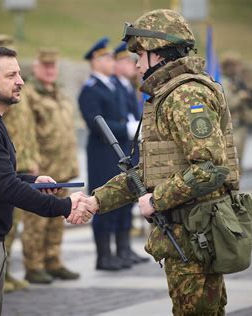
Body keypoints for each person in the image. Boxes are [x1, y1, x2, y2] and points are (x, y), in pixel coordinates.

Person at [85, 9, 240, 315]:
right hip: (187, 235)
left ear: (161, 54)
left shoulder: (185, 96)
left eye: (140, 53)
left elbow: (210, 169)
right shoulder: (168, 95)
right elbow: (150, 170)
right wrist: (96, 202)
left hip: (196, 238)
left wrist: (156, 200)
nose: (136, 63)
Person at [0, 46, 93, 316]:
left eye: (19, 74)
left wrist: (34, 181)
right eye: (11, 75)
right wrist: (65, 207)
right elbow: (6, 187)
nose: (20, 81)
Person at [21, 48, 80, 284]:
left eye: (53, 66)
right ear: (35, 68)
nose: (50, 70)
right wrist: (30, 163)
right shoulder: (29, 94)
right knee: (36, 220)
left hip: (63, 167)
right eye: (45, 66)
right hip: (42, 169)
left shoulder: (60, 94)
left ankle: (52, 260)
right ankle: (33, 266)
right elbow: (26, 133)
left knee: (57, 218)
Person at [78, 37, 136, 271]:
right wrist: (127, 128)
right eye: (107, 57)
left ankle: (121, 250)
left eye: (112, 57)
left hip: (120, 151)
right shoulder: (90, 90)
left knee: (123, 199)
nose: (111, 61)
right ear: (95, 60)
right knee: (102, 201)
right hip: (102, 154)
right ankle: (104, 255)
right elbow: (97, 124)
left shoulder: (113, 86)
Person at [0, 33, 34, 293]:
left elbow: (27, 127)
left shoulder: (16, 87)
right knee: (2, 224)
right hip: (4, 162)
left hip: (24, 160)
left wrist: (32, 158)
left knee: (13, 225)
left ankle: (5, 270)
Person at [111, 42, 148, 264]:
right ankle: (114, 251)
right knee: (117, 201)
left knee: (128, 202)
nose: (132, 65)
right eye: (125, 60)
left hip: (130, 149)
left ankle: (125, 248)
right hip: (117, 151)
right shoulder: (116, 86)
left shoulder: (128, 86)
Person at [220, 52, 252, 166]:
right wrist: (240, 97)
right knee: (233, 160)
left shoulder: (237, 81)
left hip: (241, 125)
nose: (239, 68)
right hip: (232, 128)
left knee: (239, 161)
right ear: (228, 66)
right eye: (236, 65)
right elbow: (226, 104)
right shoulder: (223, 83)